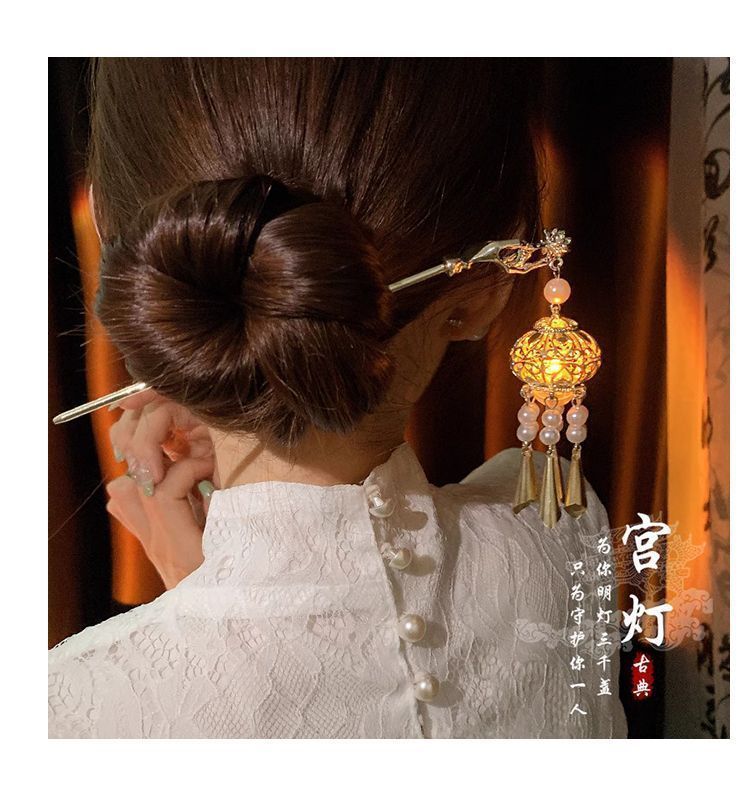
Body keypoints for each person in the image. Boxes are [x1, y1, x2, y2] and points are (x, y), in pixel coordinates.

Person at [49, 57, 628, 738]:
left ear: (120, 239)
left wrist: (204, 594)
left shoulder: (68, 711)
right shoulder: (561, 526)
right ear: (484, 291)